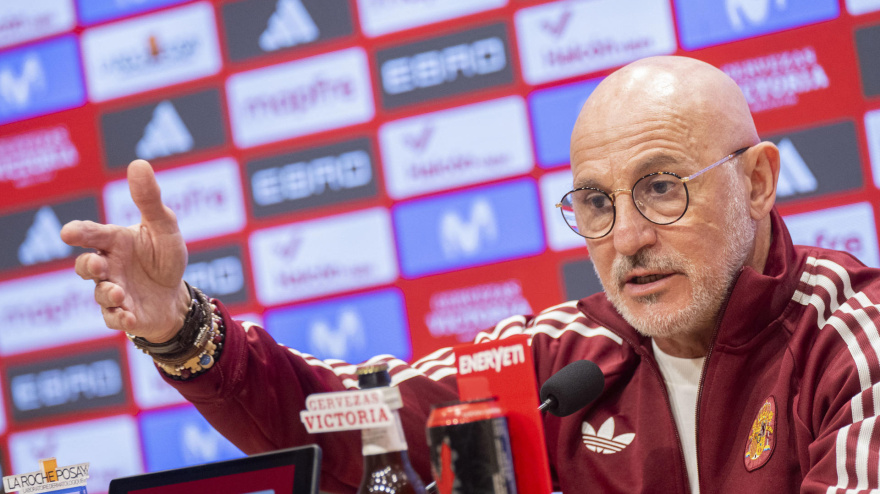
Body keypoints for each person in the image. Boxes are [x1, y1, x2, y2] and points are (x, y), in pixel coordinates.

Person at [60, 55, 880, 493]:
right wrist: (179, 328)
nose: (626, 235)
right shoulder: (566, 357)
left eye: (662, 188)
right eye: (595, 202)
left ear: (759, 181)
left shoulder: (851, 341)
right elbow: (349, 418)